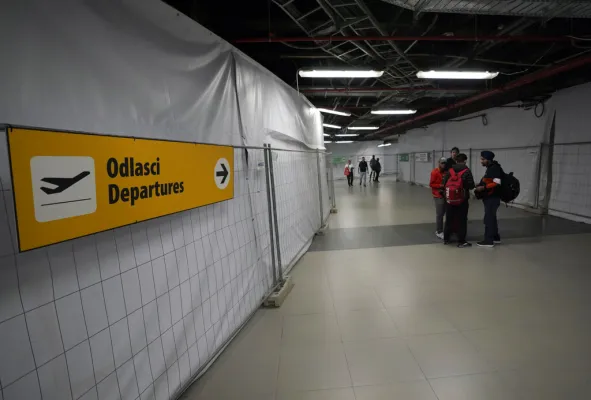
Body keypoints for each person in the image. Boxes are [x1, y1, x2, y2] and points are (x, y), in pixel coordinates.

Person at [442, 153, 475, 248]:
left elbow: (444, 184)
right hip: (462, 200)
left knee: (449, 219)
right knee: (462, 220)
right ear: (465, 161)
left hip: (449, 200)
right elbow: (471, 185)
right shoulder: (467, 171)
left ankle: (446, 239)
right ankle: (461, 241)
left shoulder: (450, 171)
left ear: (456, 161)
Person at [475, 151, 502, 247]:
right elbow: (489, 180)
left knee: (489, 219)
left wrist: (483, 188)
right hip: (490, 197)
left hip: (492, 198)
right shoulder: (491, 168)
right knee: (492, 218)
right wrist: (480, 184)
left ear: (488, 160)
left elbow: (497, 183)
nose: (481, 161)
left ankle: (488, 240)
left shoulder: (494, 168)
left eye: (483, 159)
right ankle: (495, 237)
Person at [430, 157, 448, 239]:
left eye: (445, 163)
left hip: (446, 195)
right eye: (442, 163)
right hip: (438, 195)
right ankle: (439, 231)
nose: (443, 164)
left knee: (446, 213)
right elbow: (431, 184)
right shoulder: (434, 172)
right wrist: (439, 186)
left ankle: (448, 229)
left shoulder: (447, 172)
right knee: (440, 214)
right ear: (439, 163)